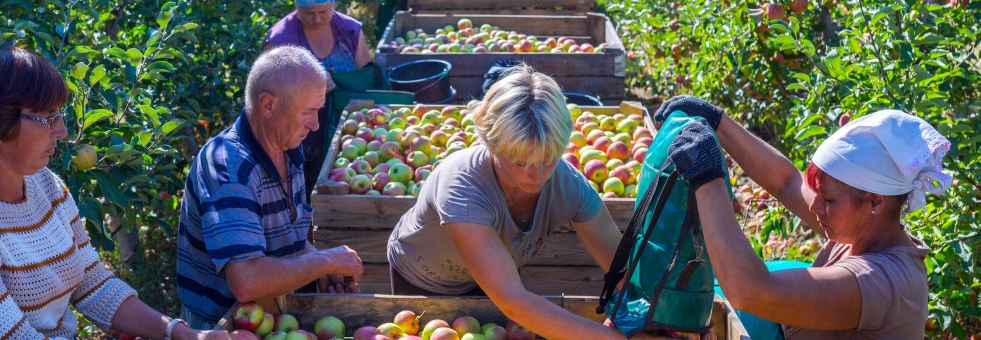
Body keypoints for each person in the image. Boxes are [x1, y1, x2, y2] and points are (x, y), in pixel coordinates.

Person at [0, 47, 228, 339]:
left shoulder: (45, 185)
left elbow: (91, 283)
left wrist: (179, 333)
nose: (62, 130)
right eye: (46, 118)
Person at [655, 96, 952, 339]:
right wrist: (718, 121)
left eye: (829, 199)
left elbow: (751, 292)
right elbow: (787, 182)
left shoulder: (880, 283)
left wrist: (708, 180)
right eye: (817, 193)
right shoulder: (865, 228)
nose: (813, 207)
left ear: (875, 201)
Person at [386, 65, 636, 339]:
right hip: (423, 282)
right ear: (492, 146)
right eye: (520, 163)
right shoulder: (464, 188)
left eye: (548, 159)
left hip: (495, 280)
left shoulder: (567, 183)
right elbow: (513, 301)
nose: (537, 175)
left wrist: (647, 319)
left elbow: (621, 267)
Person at [176, 46, 363, 329]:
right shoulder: (230, 169)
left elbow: (282, 234)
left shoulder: (288, 147)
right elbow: (247, 281)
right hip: (222, 327)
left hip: (273, 317)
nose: (315, 125)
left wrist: (312, 260)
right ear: (267, 105)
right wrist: (325, 262)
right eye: (308, 112)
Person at [263, 0, 372, 196]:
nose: (316, 18)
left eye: (323, 11)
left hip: (344, 136)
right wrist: (310, 86)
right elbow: (265, 90)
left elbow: (365, 76)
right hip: (296, 140)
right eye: (308, 12)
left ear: (333, 4)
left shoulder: (349, 30)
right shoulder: (282, 37)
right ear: (296, 7)